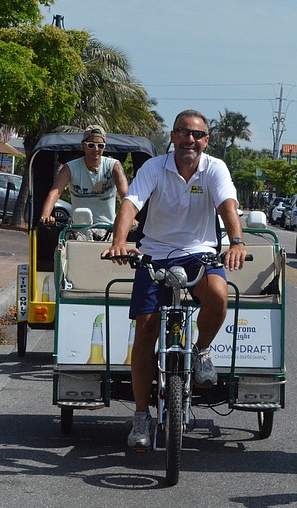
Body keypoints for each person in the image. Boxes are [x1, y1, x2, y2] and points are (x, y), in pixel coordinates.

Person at [101, 110, 247, 450]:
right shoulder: (154, 167)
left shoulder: (215, 168)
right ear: (173, 135)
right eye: (183, 133)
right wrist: (119, 241)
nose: (190, 140)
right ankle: (140, 417)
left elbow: (228, 205)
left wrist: (236, 241)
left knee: (218, 295)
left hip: (200, 253)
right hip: (155, 254)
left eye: (197, 134)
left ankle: (201, 351)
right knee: (146, 328)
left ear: (206, 140)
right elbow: (130, 204)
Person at [39, 125, 128, 239]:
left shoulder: (114, 166)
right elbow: (54, 193)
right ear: (83, 145)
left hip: (107, 229)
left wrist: (131, 217)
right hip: (78, 229)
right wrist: (46, 215)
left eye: (100, 146)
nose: (96, 149)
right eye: (91, 145)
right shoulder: (70, 168)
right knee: (64, 249)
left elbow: (125, 194)